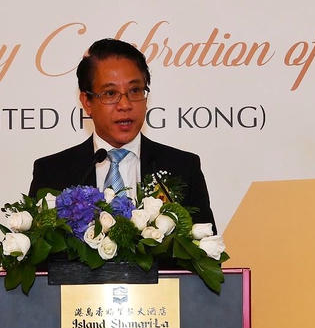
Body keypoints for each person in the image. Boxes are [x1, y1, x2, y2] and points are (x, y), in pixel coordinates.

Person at [28, 37, 215, 226]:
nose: (125, 105)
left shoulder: (183, 168)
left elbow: (205, 242)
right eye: (110, 93)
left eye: (135, 90)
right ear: (87, 102)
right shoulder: (52, 173)